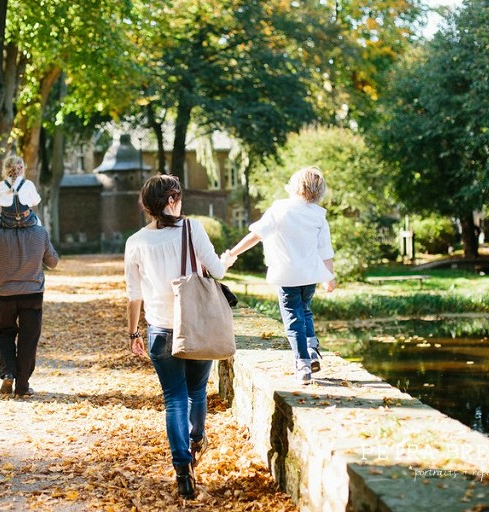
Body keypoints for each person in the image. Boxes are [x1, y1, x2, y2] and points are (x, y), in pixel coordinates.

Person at [125, 174, 236, 500]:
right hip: (196, 326)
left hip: (159, 329)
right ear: (172, 200)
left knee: (173, 398)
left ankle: (182, 469)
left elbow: (133, 295)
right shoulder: (192, 229)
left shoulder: (135, 242)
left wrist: (133, 332)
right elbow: (217, 271)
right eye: (179, 197)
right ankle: (196, 439)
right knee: (196, 390)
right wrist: (227, 260)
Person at [228, 166, 336, 385]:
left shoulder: (280, 209)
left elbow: (256, 236)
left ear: (295, 186)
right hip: (309, 276)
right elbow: (325, 249)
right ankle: (312, 349)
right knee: (304, 311)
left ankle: (303, 363)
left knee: (293, 317)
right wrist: (329, 276)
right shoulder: (318, 216)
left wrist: (232, 253)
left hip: (287, 275)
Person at [0, 220, 59, 397]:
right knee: (28, 338)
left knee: (6, 333)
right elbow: (53, 262)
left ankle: (8, 373)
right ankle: (22, 385)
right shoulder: (40, 233)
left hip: (5, 294)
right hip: (32, 293)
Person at [0, 155, 42, 228]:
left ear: (6, 169)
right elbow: (36, 201)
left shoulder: (2, 185)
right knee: (39, 223)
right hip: (26, 220)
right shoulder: (28, 184)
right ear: (22, 169)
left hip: (6, 221)